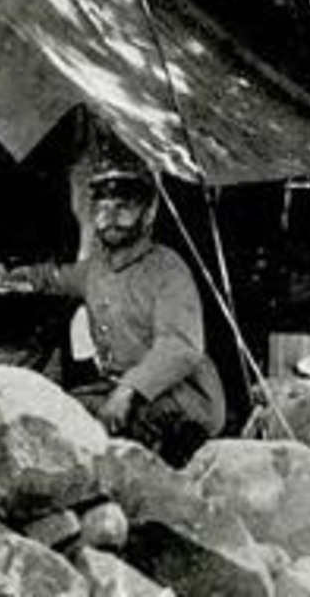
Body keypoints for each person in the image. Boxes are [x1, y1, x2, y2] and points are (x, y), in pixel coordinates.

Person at [15, 158, 225, 465]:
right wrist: (13, 275)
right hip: (120, 391)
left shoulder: (168, 268)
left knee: (102, 443)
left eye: (123, 207)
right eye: (102, 208)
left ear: (149, 213)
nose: (110, 218)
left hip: (184, 399)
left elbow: (180, 347)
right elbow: (56, 277)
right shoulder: (96, 269)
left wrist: (127, 390)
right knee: (57, 413)